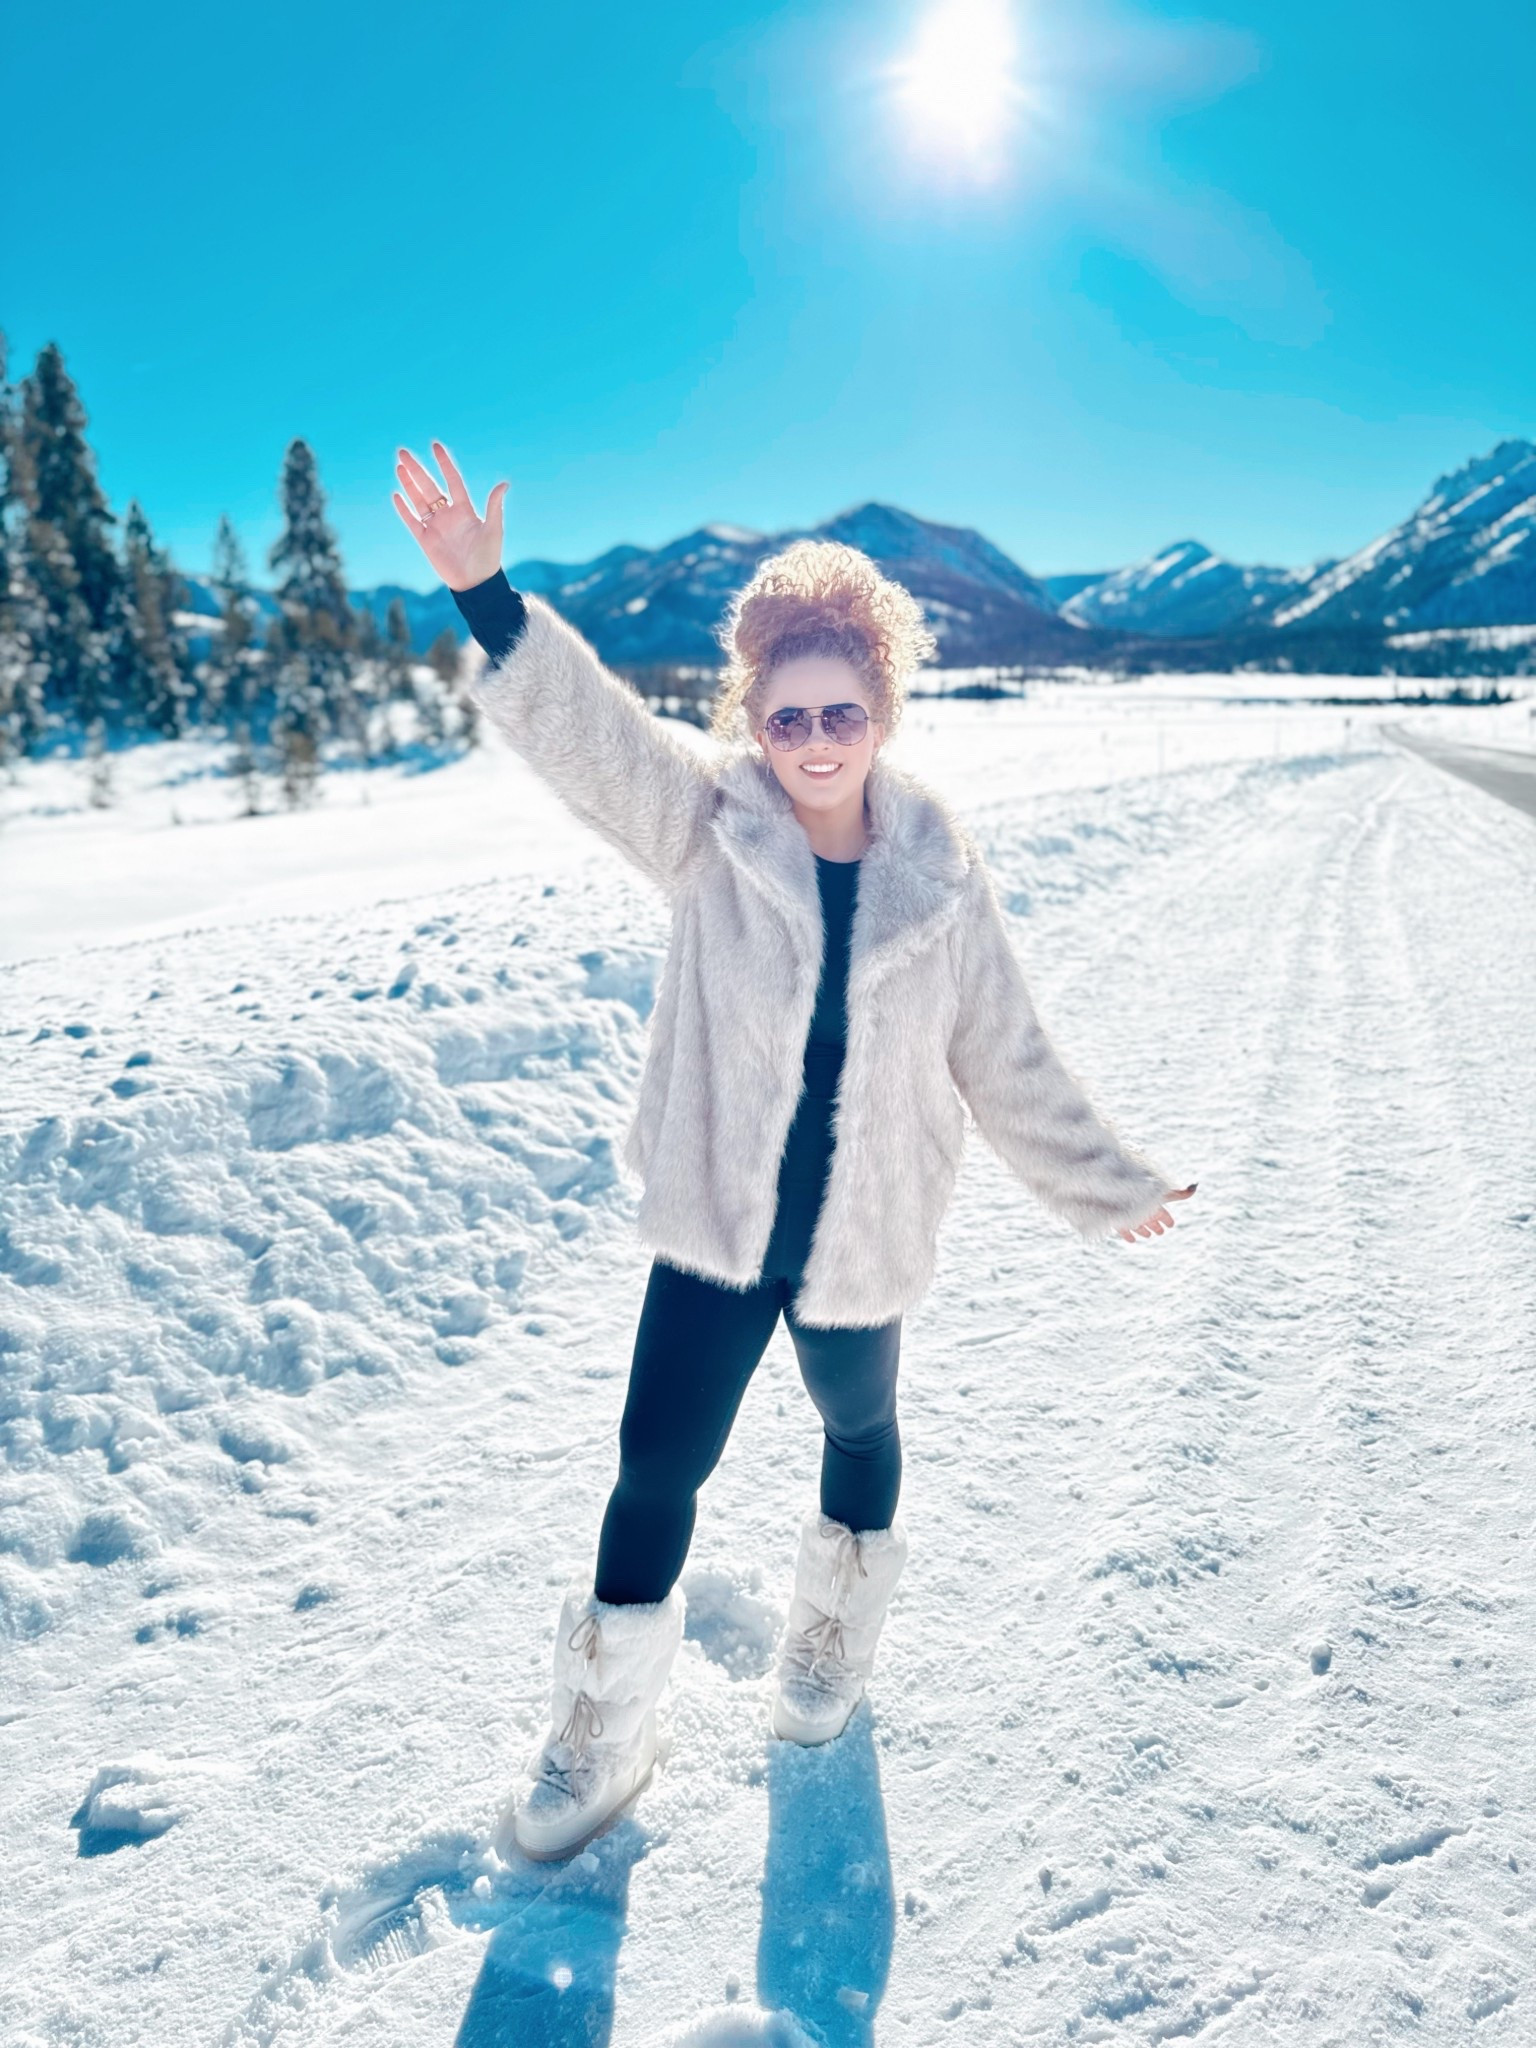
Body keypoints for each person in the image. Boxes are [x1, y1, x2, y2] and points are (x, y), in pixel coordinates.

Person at [392, 440, 1196, 1861]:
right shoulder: (706, 826)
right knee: (656, 1463)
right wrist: (490, 599)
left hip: (865, 1231)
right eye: (784, 720)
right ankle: (602, 1729)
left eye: (838, 713)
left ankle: (832, 1630)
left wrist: (1105, 1183)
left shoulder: (938, 875)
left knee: (858, 1425)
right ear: (751, 722)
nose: (812, 741)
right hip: (720, 1224)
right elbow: (587, 734)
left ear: (880, 710)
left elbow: (1000, 1052)